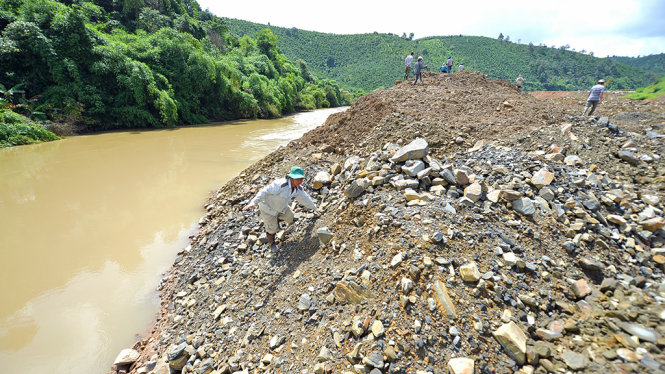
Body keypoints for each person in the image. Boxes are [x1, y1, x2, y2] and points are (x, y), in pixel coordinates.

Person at [243, 166, 322, 251]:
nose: (300, 181)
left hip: (282, 208)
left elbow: (305, 199)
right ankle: (272, 243)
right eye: (297, 179)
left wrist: (315, 208)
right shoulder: (279, 185)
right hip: (268, 209)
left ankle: (278, 221)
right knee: (272, 230)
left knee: (290, 216)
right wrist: (253, 202)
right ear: (291, 178)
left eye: (301, 179)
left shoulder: (298, 189)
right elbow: (263, 191)